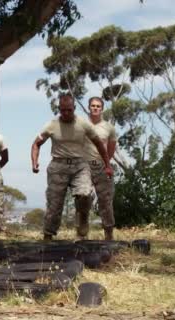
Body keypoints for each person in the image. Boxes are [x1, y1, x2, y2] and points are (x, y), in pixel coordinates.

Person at [30, 94, 112, 240]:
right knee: (54, 204)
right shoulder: (51, 125)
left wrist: (107, 165)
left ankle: (82, 224)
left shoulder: (83, 124)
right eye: (63, 110)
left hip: (80, 164)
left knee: (85, 195)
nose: (66, 113)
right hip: (58, 165)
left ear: (74, 108)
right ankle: (48, 236)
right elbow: (36, 144)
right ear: (59, 109)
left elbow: (99, 143)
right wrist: (34, 162)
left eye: (69, 110)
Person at [83, 96, 117, 240]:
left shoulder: (109, 128)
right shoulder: (81, 125)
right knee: (82, 198)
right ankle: (82, 234)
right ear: (89, 107)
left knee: (105, 201)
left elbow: (111, 148)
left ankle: (108, 233)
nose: (95, 108)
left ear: (102, 109)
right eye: (93, 106)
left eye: (98, 106)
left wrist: (106, 164)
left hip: (102, 167)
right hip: (84, 167)